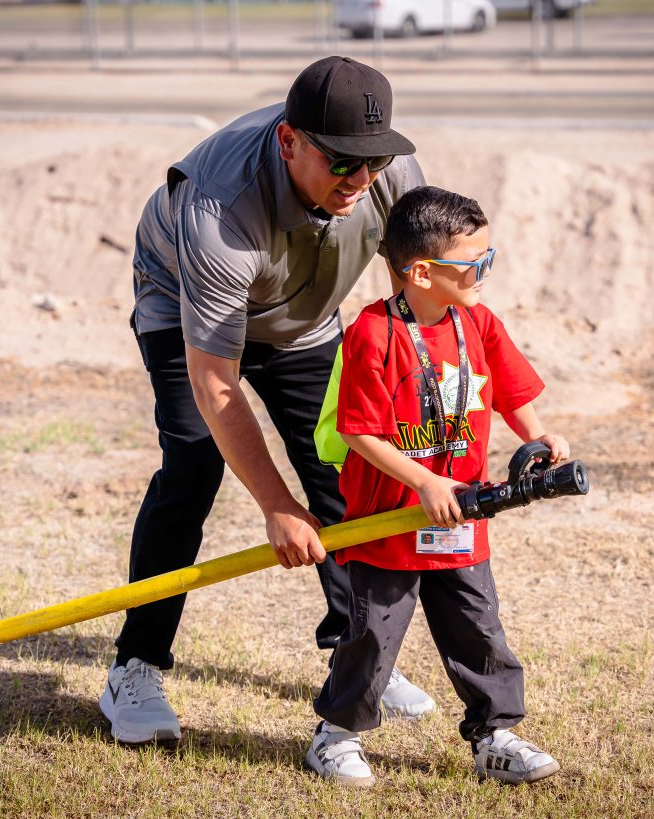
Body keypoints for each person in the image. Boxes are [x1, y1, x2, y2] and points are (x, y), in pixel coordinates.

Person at [101, 56, 438, 744]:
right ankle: (133, 668)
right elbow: (216, 380)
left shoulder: (387, 175)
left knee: (348, 468)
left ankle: (358, 655)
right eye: (342, 161)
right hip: (182, 305)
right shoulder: (218, 211)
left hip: (303, 320)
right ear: (289, 142)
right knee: (194, 467)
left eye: (373, 161)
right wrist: (278, 506)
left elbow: (419, 291)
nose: (361, 179)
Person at [304, 185, 571, 786]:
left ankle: (494, 735)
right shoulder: (373, 334)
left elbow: (512, 392)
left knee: (478, 627)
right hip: (389, 521)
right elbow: (360, 432)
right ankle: (336, 736)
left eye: (488, 259)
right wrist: (424, 480)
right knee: (371, 635)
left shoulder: (477, 321)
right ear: (421, 271)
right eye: (474, 263)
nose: (484, 272)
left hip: (461, 517)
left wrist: (541, 437)